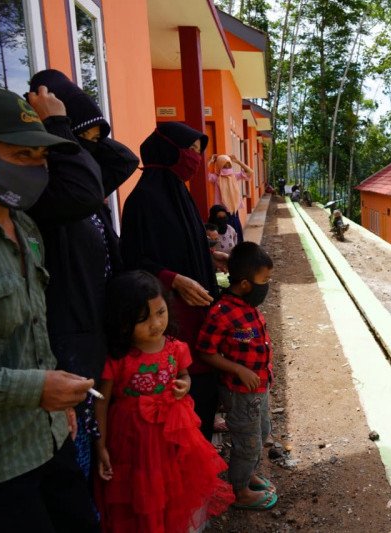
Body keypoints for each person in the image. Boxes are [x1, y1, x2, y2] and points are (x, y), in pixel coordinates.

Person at [0, 85, 97, 531]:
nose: (38, 170)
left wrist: (57, 401)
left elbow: (32, 329)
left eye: (41, 157)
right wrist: (35, 389)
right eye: (22, 157)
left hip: (48, 439)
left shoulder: (24, 225)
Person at [28, 69, 140, 478]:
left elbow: (123, 159)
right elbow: (83, 189)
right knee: (80, 460)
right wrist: (58, 126)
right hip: (69, 341)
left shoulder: (84, 190)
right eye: (84, 140)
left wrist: (77, 125)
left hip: (93, 332)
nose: (91, 150)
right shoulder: (54, 195)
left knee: (101, 450)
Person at [95, 270, 233, 532]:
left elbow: (184, 375)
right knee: (143, 492)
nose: (156, 324)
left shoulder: (176, 348)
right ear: (123, 323)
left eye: (161, 312)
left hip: (172, 434)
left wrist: (185, 385)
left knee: (174, 487)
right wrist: (100, 445)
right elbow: (102, 402)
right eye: (143, 319)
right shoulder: (118, 359)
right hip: (132, 440)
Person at [119, 122, 224, 441]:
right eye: (190, 150)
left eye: (197, 151)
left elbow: (183, 243)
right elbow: (134, 259)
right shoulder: (142, 199)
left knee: (204, 378)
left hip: (197, 305)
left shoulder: (179, 193)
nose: (195, 158)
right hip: (170, 310)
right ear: (167, 150)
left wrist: (209, 257)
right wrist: (174, 279)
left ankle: (203, 436)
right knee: (182, 380)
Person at [196, 242, 278, 511]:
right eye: (264, 280)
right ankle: (240, 490)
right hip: (240, 393)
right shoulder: (222, 312)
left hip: (258, 389)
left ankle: (248, 474)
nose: (267, 285)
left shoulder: (247, 305)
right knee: (247, 441)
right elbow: (205, 352)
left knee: (262, 432)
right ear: (244, 284)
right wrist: (239, 370)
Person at [207, 154, 252, 244]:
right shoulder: (216, 178)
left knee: (237, 236)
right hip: (222, 213)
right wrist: (210, 161)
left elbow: (249, 172)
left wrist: (237, 161)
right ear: (219, 166)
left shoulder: (234, 176)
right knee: (226, 238)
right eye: (224, 165)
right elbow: (204, 174)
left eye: (229, 165)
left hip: (234, 211)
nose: (227, 167)